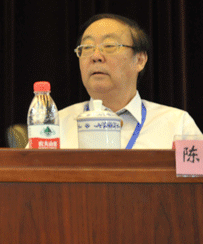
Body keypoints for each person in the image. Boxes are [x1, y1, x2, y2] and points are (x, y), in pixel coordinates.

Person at [57, 13, 202, 149]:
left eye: (109, 46)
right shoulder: (56, 126)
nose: (96, 56)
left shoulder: (177, 125)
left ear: (140, 60)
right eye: (87, 47)